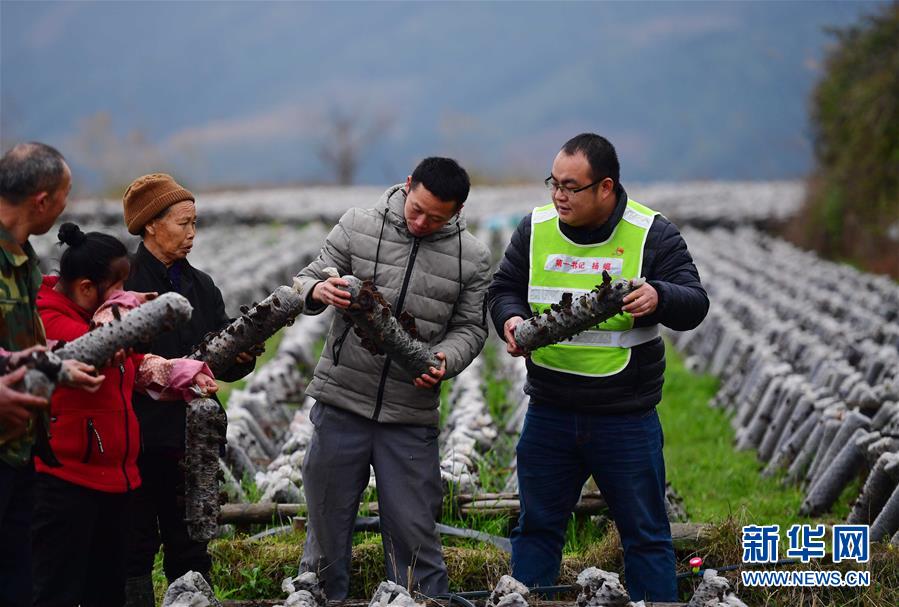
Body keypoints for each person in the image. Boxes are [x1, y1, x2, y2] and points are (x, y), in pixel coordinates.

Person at [487, 133, 709, 602]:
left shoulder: (652, 233)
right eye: (553, 183)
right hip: (549, 412)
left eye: (571, 186)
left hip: (624, 416)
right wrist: (509, 317)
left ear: (605, 187)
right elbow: (503, 287)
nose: (558, 195)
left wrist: (660, 296)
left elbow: (695, 302)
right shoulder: (535, 229)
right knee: (536, 528)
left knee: (645, 534)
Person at [293, 157, 491, 599]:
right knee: (326, 524)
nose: (421, 223)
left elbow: (472, 328)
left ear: (457, 211)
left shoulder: (472, 257)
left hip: (410, 412)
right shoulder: (357, 225)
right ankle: (319, 597)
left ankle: (420, 600)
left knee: (414, 530)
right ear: (407, 186)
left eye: (435, 218)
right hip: (342, 399)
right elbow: (306, 279)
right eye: (416, 210)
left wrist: (446, 358)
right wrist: (317, 291)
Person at [32, 223, 218, 607]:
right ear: (87, 288)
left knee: (107, 588)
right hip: (68, 480)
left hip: (115, 478)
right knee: (58, 587)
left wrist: (176, 372)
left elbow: (129, 365)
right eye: (116, 286)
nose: (123, 293)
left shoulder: (96, 318)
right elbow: (92, 353)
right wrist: (126, 314)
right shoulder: (51, 321)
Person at [121, 173, 258, 606]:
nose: (192, 233)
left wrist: (242, 356)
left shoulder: (202, 286)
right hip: (139, 439)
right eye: (183, 223)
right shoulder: (124, 286)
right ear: (150, 225)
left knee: (193, 544)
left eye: (195, 223)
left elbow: (220, 359)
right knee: (134, 545)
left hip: (194, 439)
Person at [0, 142, 103, 606]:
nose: (66, 205)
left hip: (19, 447)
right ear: (42, 201)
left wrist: (59, 367)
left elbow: (23, 345)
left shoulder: (23, 259)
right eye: (65, 193)